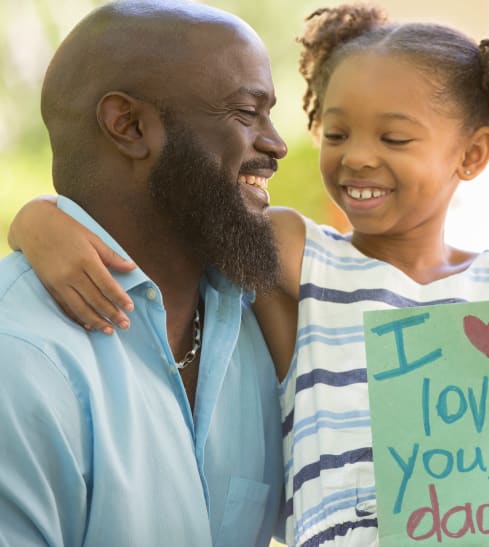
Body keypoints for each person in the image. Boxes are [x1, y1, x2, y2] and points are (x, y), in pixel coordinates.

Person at [10, 4, 489, 546]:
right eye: (335, 134)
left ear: (473, 155)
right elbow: (165, 222)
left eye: (394, 138)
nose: (355, 156)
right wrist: (37, 221)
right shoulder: (299, 259)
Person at [0, 1, 288, 545]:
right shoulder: (19, 356)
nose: (276, 144)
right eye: (247, 114)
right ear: (130, 126)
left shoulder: (263, 315)